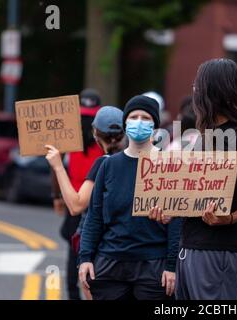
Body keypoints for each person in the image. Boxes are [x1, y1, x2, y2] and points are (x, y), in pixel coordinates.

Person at [150, 58, 237, 300]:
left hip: (218, 250)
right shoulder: (202, 137)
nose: (194, 92)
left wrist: (231, 218)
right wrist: (169, 210)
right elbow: (194, 195)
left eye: (198, 86)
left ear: (214, 91)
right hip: (187, 247)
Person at [78, 95, 182, 300]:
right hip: (110, 265)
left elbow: (176, 222)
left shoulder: (169, 166)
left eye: (146, 118)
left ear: (155, 126)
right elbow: (94, 216)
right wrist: (85, 257)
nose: (139, 122)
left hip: (153, 267)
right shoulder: (108, 166)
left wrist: (172, 266)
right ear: (125, 123)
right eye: (134, 117)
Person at [45, 106, 127, 300]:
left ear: (95, 133)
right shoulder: (136, 161)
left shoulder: (103, 164)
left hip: (104, 251)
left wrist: (58, 166)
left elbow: (76, 205)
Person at [51, 88, 103, 300]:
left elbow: (56, 168)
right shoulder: (103, 136)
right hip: (95, 200)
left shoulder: (69, 136)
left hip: (74, 198)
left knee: (75, 250)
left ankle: (74, 294)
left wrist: (57, 196)